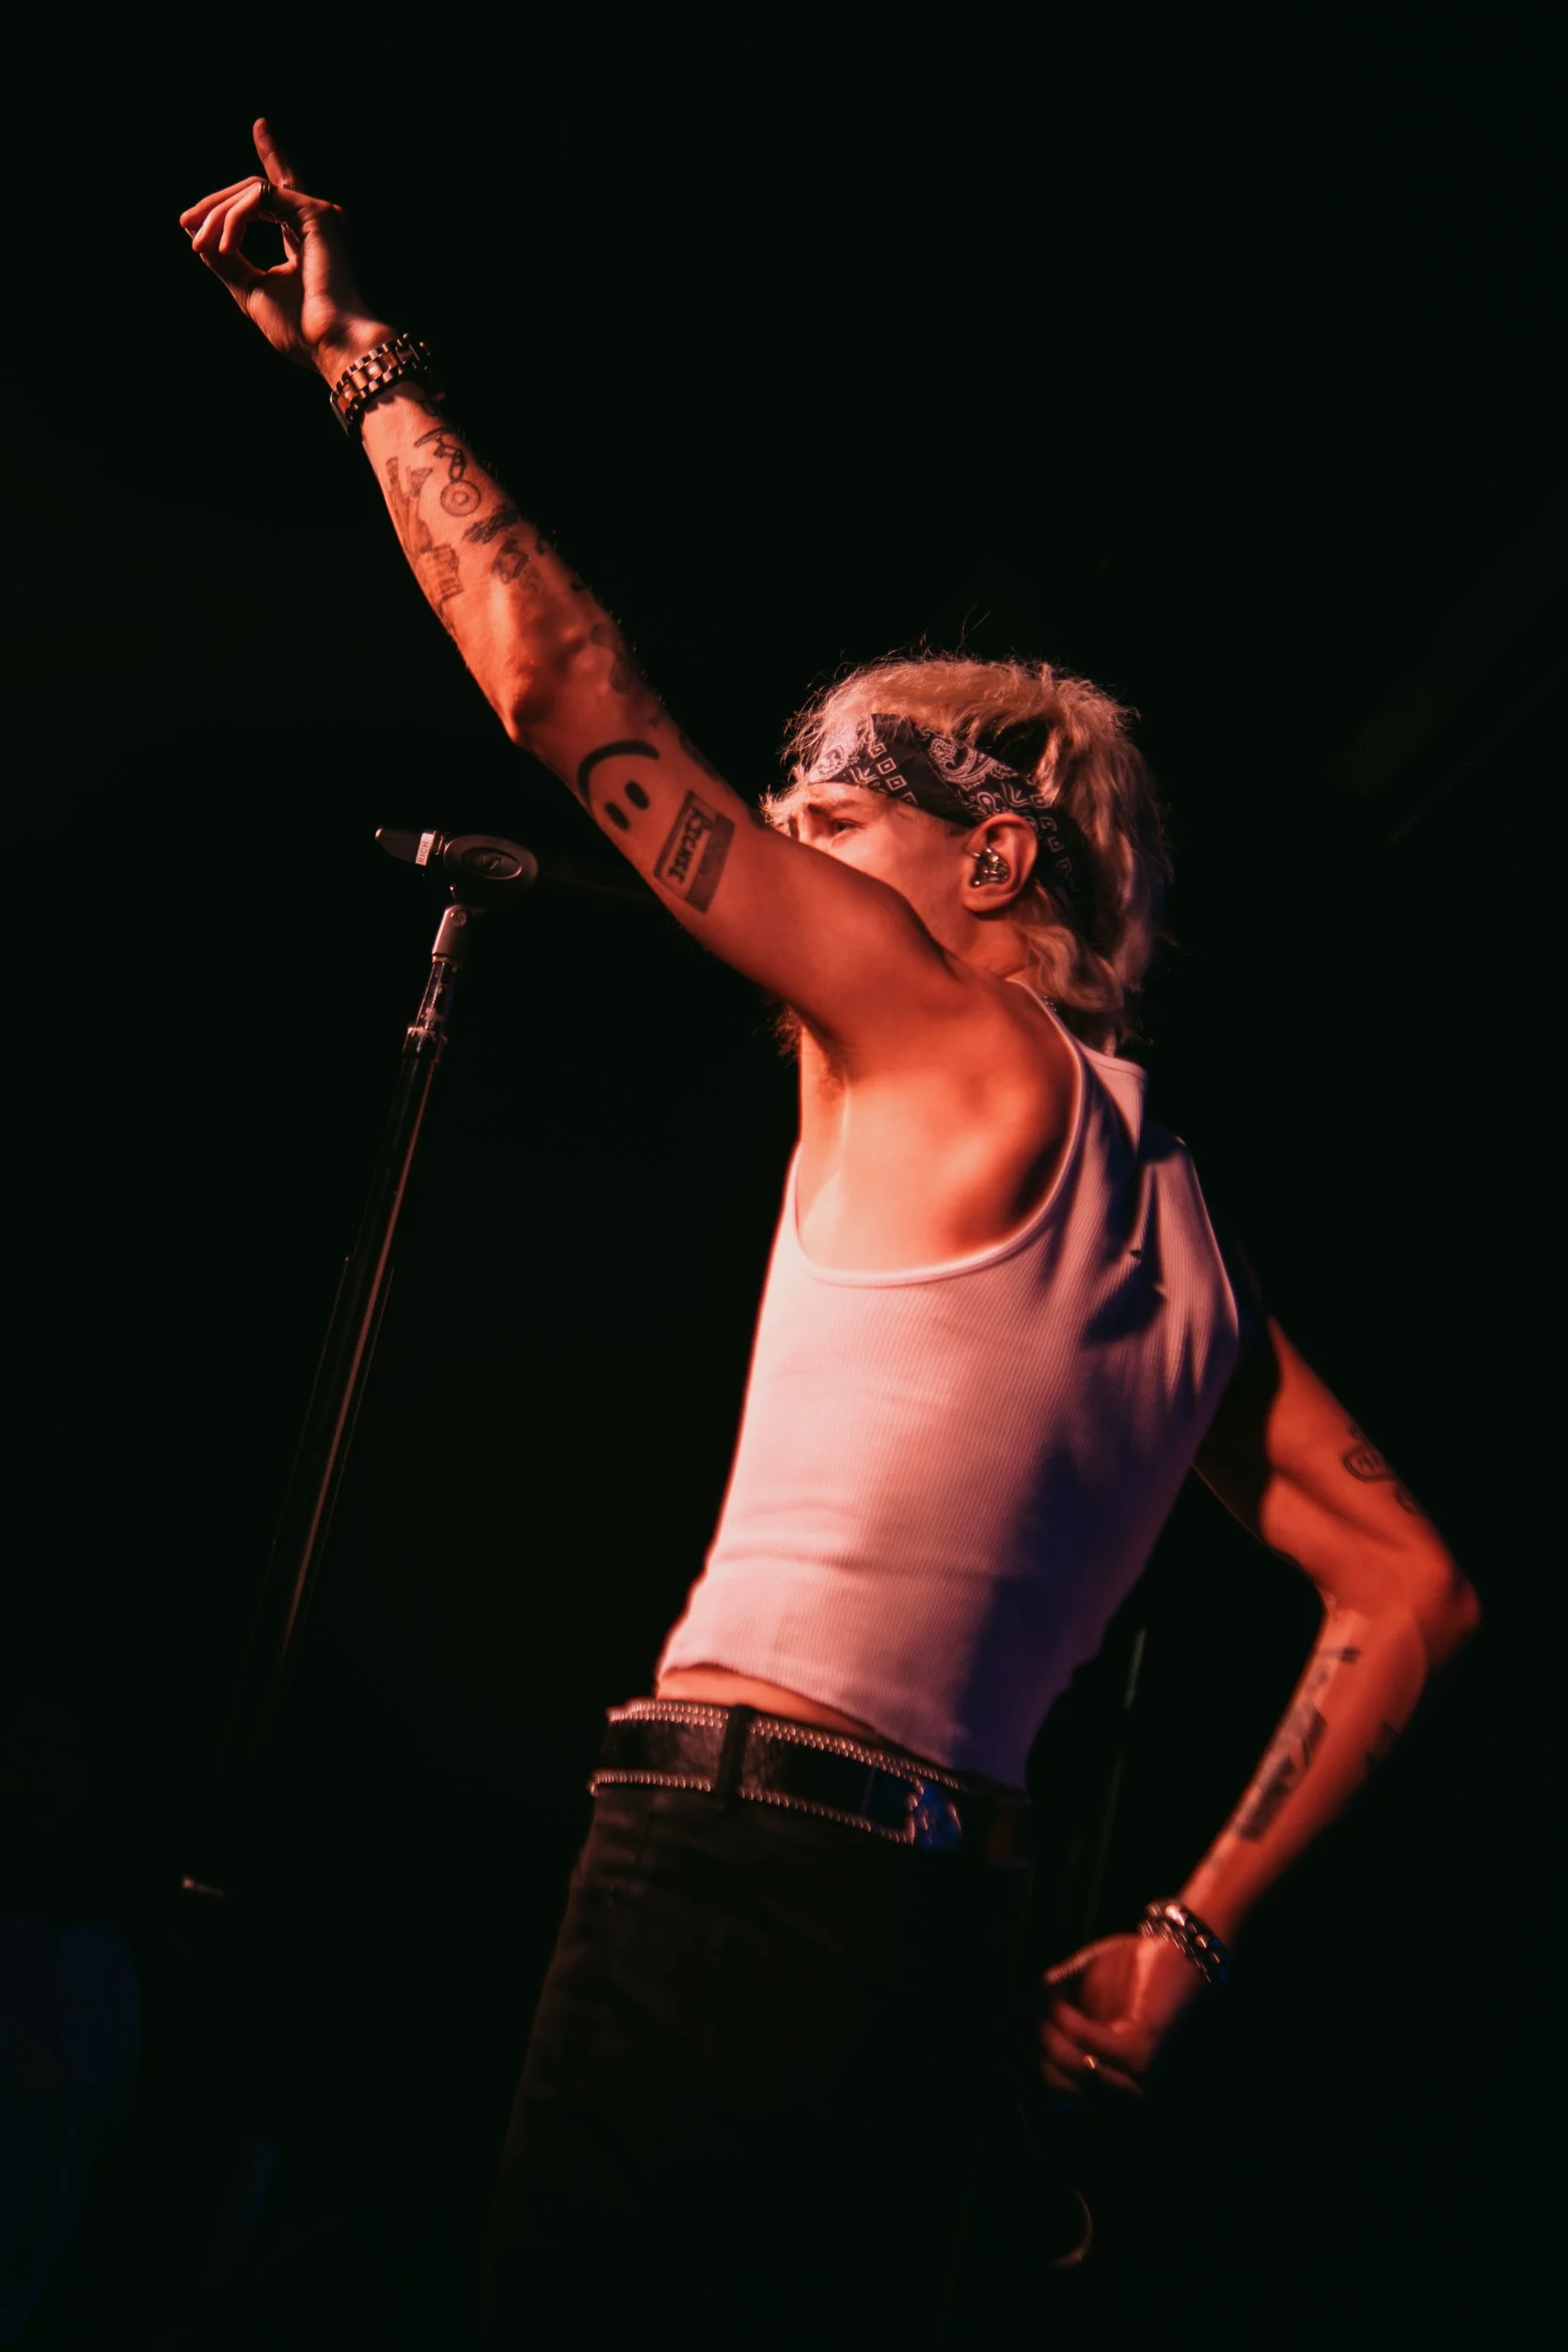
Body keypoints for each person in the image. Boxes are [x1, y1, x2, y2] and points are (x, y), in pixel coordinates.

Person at [181, 124, 1481, 2349]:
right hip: (944, 1942)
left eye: (836, 815)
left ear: (992, 862)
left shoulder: (933, 1023)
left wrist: (356, 360)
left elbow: (563, 695)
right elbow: (1408, 1585)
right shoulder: (1182, 1233)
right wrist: (1182, 1938)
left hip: (738, 1866)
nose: (784, 852)